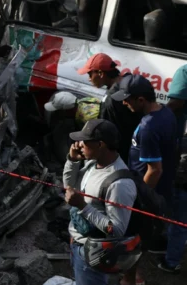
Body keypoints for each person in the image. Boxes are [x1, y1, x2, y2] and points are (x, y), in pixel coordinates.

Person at [111, 74, 177, 280]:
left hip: (146, 191)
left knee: (134, 240)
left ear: (141, 100)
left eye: (127, 99)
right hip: (159, 189)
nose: (124, 103)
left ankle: (132, 279)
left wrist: (138, 200)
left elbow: (154, 169)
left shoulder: (149, 126)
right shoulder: (166, 113)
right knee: (141, 238)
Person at [63, 119, 138, 285]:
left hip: (92, 255)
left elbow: (116, 229)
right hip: (78, 244)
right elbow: (68, 186)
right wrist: (72, 161)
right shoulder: (92, 164)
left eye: (85, 141)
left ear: (101, 145)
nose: (79, 144)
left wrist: (82, 206)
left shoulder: (120, 184)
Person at [77, 53, 141, 163]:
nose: (89, 79)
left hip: (122, 156)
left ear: (101, 73)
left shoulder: (111, 100)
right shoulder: (129, 81)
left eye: (90, 74)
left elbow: (109, 135)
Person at [158, 64, 187, 273]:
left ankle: (171, 260)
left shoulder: (185, 71)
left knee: (180, 212)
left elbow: (175, 102)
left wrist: (156, 118)